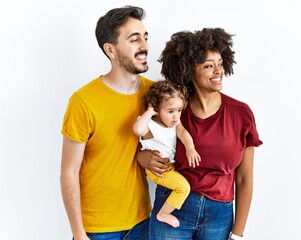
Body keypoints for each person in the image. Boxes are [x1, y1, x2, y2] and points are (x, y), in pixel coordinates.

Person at [137, 28, 263, 240]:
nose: (218, 71)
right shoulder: (173, 112)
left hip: (219, 215)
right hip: (173, 207)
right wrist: (143, 157)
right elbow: (144, 142)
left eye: (220, 64)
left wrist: (238, 234)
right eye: (208, 66)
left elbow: (244, 177)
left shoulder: (241, 114)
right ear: (189, 71)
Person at [60, 6, 169, 240]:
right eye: (134, 39)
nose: (145, 46)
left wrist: (143, 156)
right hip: (96, 229)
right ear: (111, 50)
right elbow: (69, 172)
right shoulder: (83, 101)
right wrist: (79, 234)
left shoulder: (155, 94)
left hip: (142, 222)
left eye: (145, 37)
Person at [133, 80, 201, 228]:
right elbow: (137, 130)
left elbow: (182, 132)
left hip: (169, 167)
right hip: (157, 170)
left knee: (183, 186)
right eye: (170, 111)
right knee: (183, 188)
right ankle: (163, 214)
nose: (176, 117)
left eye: (179, 110)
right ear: (157, 109)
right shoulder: (149, 126)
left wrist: (190, 148)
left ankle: (164, 212)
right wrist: (150, 112)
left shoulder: (174, 123)